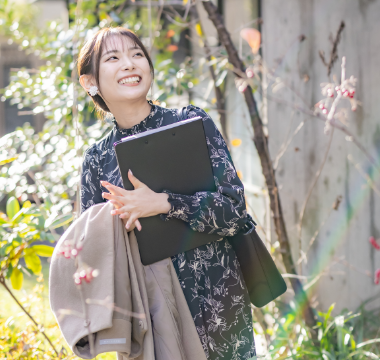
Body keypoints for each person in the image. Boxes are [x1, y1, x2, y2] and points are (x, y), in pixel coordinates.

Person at [77, 26, 256, 360]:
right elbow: (94, 255)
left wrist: (162, 203)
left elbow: (234, 211)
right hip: (150, 311)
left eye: (136, 55)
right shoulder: (97, 160)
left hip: (217, 300)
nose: (129, 64)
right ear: (91, 82)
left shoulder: (191, 124)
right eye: (113, 58)